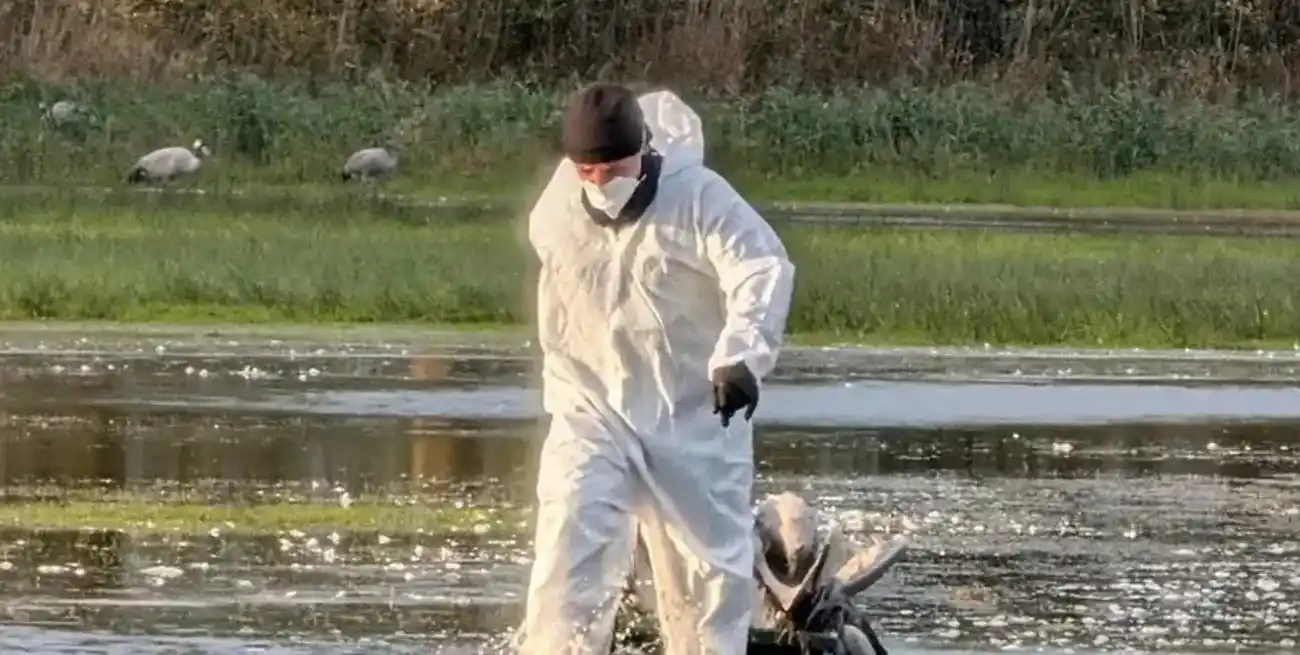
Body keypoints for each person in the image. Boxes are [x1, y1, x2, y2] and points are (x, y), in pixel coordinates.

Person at [514, 82, 796, 655]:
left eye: (613, 167)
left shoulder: (699, 198)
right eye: (586, 171)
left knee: (705, 577)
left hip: (691, 415)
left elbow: (760, 268)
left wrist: (741, 356)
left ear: (642, 149)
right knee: (568, 543)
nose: (600, 183)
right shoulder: (558, 207)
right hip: (590, 407)